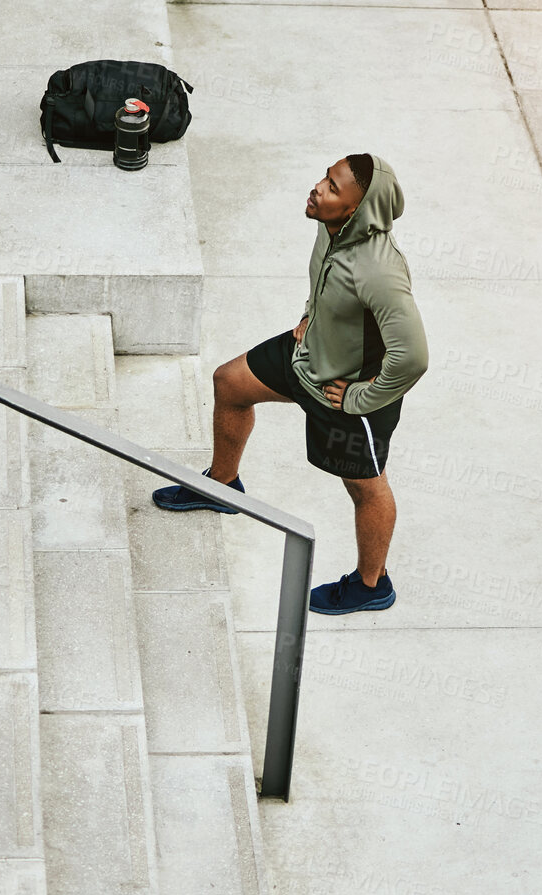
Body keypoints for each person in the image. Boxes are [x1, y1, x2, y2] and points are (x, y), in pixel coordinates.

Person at [151, 152, 428, 615]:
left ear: (358, 210)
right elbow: (326, 283)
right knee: (230, 383)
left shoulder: (380, 271)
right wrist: (309, 314)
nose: (319, 187)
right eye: (326, 176)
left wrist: (362, 397)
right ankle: (221, 486)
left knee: (366, 487)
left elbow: (413, 357)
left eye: (334, 187)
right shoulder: (330, 228)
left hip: (347, 393)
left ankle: (370, 585)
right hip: (306, 357)